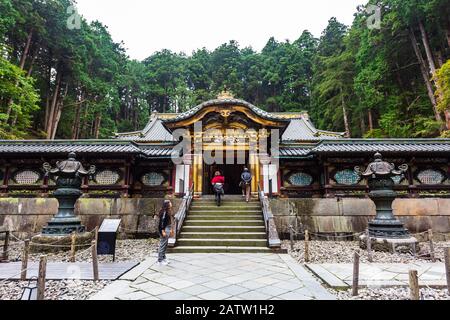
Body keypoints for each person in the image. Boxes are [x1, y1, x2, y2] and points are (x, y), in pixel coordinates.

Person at [157, 200, 174, 266]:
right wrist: (162, 231)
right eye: (170, 203)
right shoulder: (164, 212)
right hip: (164, 228)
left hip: (167, 228)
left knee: (165, 244)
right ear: (167, 204)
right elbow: (162, 222)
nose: (171, 203)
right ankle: (160, 260)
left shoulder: (167, 211)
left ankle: (163, 257)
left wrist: (171, 229)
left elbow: (169, 221)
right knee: (163, 244)